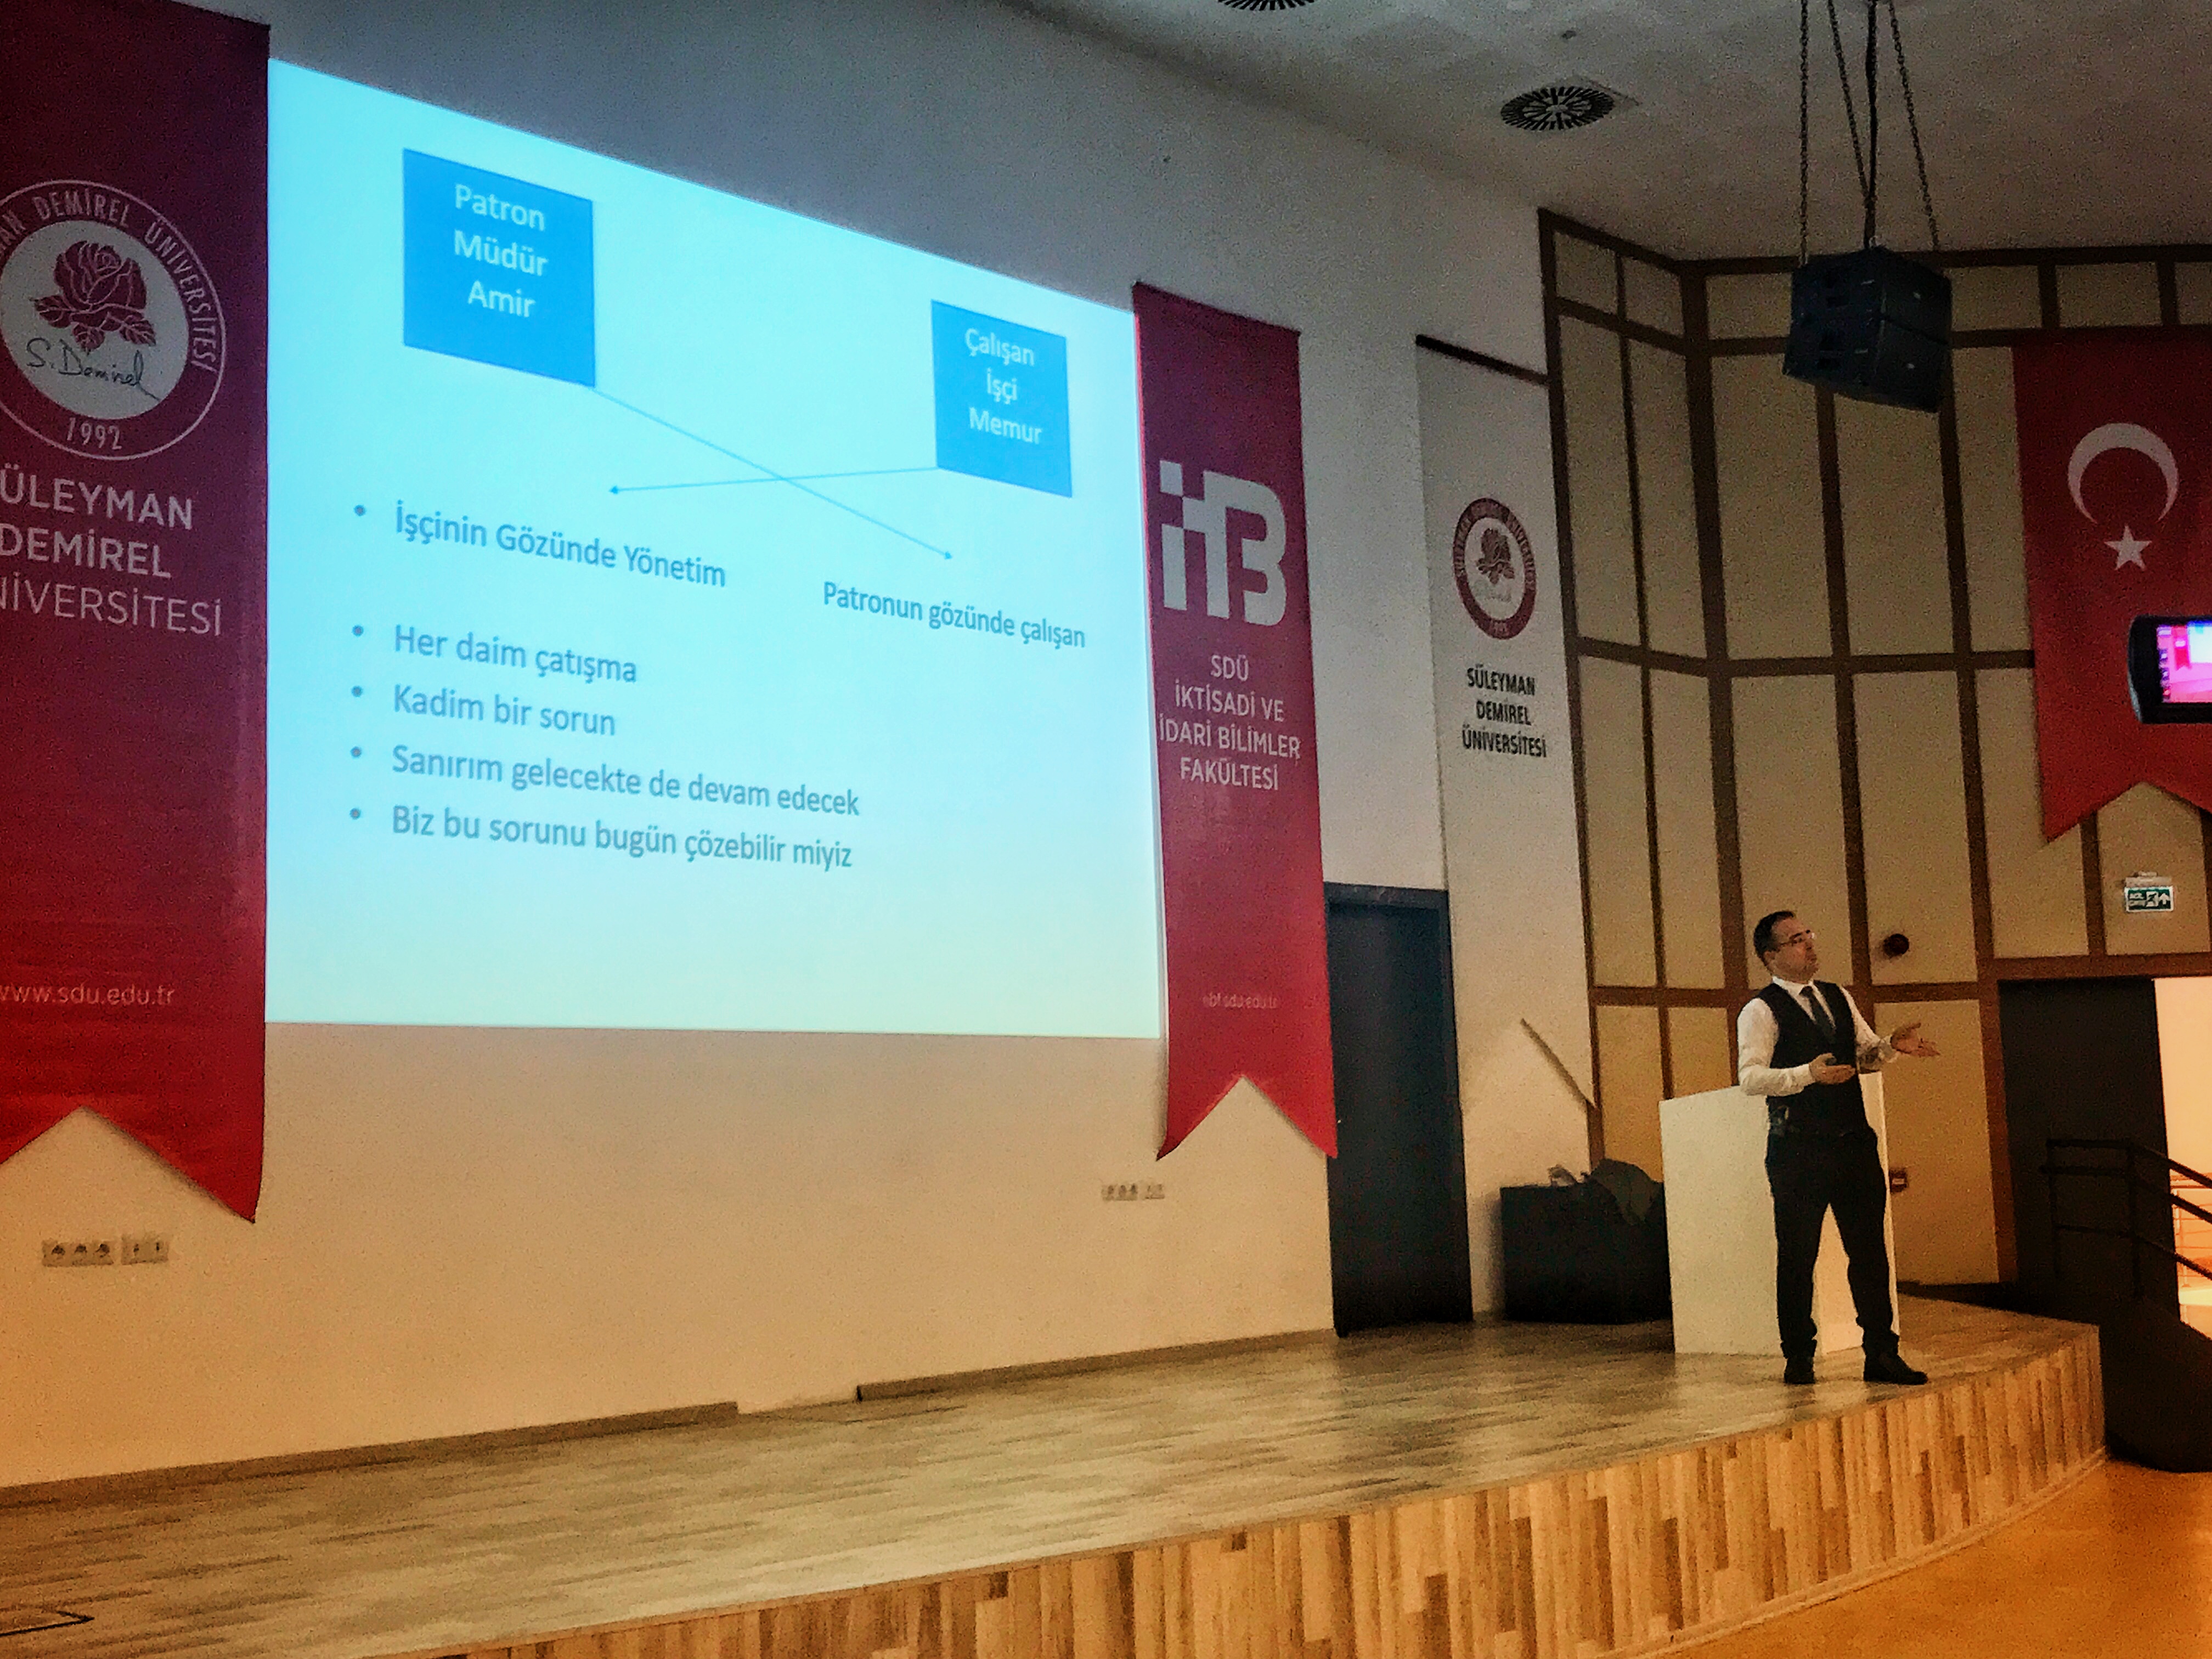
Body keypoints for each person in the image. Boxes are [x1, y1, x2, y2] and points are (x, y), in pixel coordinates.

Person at [1739, 910, 1939, 1387]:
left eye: (1808, 934)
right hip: (1798, 1150)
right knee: (1798, 1257)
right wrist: (1807, 1075)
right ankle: (1799, 1357)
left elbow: (1864, 1054)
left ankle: (1881, 1353)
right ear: (1771, 956)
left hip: (1853, 1144)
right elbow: (1750, 1078)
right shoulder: (1761, 1010)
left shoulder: (1837, 996)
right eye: (1796, 940)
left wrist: (1892, 1046)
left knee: (1869, 1253)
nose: (1809, 944)